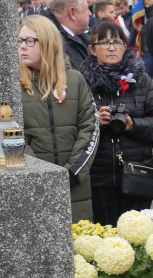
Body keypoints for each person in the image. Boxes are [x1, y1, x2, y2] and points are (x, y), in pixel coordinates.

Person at [79, 20, 153, 225]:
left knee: (135, 237)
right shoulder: (81, 83)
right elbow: (71, 127)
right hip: (98, 176)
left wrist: (132, 125)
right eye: (104, 43)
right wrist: (95, 121)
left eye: (116, 42)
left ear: (125, 46)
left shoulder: (141, 81)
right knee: (105, 236)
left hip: (137, 172)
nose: (111, 47)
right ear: (92, 50)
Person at [17, 16, 99, 221]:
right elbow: (13, 135)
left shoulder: (75, 80)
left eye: (30, 41)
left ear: (47, 43)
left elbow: (90, 128)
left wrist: (73, 172)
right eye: (19, 41)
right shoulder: (14, 84)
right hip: (33, 184)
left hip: (75, 184)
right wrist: (40, 173)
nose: (22, 47)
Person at [44, 0, 92, 71]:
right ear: (72, 12)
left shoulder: (77, 36)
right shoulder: (52, 43)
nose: (90, 13)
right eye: (87, 9)